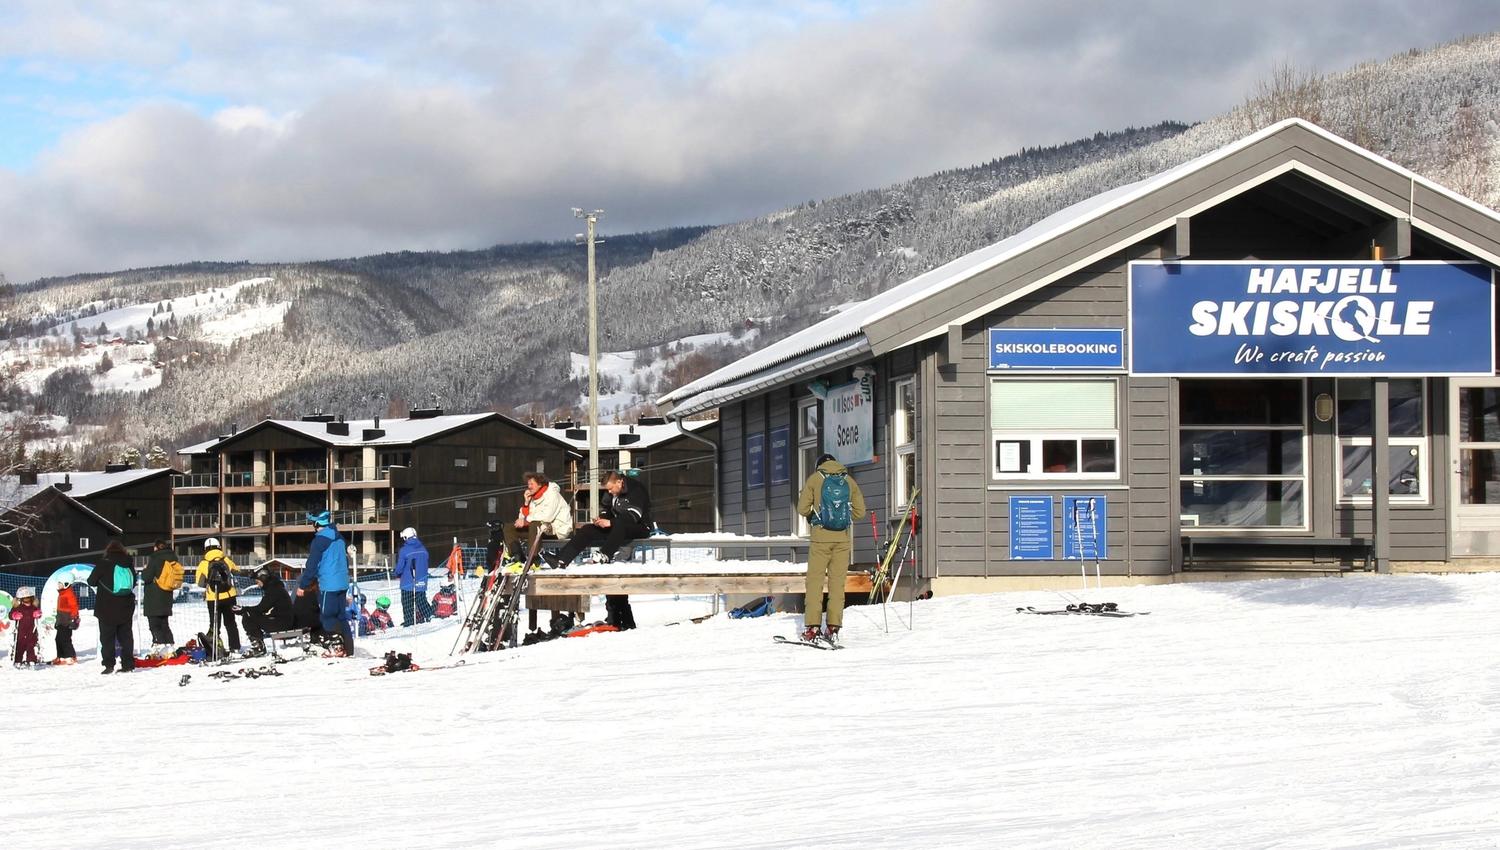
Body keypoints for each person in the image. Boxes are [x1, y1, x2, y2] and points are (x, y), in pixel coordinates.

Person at [545, 470, 651, 630]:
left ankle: (605, 554)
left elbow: (633, 517)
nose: (610, 492)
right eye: (608, 490)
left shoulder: (636, 489)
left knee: (620, 524)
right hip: (616, 526)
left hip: (639, 527)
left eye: (611, 489)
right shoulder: (611, 492)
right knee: (588, 529)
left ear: (619, 482)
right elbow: (606, 508)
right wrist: (602, 519)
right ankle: (561, 559)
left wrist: (611, 522)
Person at [796, 453, 866, 644]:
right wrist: (842, 517)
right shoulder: (848, 481)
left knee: (815, 583)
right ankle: (833, 628)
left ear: (819, 466)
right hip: (842, 541)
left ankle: (813, 629)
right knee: (837, 585)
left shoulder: (814, 479)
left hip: (820, 540)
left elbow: (802, 509)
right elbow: (860, 512)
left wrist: (816, 516)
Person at [296, 511, 352, 655]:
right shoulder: (339, 538)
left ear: (316, 524)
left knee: (327, 616)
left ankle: (337, 647)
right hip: (343, 581)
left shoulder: (319, 540)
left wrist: (303, 585)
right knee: (341, 616)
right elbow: (345, 560)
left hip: (329, 583)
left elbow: (312, 565)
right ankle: (349, 648)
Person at [503, 472, 575, 568]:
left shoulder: (552, 494)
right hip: (539, 530)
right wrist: (526, 503)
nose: (529, 487)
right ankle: (517, 557)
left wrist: (526, 520)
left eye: (532, 484)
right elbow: (523, 518)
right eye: (528, 484)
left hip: (557, 530)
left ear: (540, 484)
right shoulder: (534, 497)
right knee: (509, 528)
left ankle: (534, 559)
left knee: (535, 525)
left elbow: (547, 516)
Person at [88, 540, 138, 674]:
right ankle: (128, 664)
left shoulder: (104, 563)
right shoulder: (128, 563)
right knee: (126, 637)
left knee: (107, 638)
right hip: (126, 606)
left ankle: (109, 665)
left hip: (106, 606)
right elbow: (133, 583)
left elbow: (91, 581)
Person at [195, 537, 242, 657]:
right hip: (229, 595)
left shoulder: (203, 563)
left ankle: (215, 648)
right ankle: (235, 648)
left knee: (215, 624)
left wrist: (209, 582)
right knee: (230, 623)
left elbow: (199, 582)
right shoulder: (225, 559)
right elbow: (237, 571)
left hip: (213, 598)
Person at [235, 566, 293, 656]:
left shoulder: (273, 589)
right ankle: (258, 644)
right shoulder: (275, 587)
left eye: (258, 582)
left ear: (263, 578)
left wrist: (244, 609)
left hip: (283, 623)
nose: (258, 585)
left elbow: (262, 608)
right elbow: (264, 608)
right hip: (283, 620)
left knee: (248, 616)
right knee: (250, 614)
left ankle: (258, 646)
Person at [140, 539, 181, 654]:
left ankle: (159, 646)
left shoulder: (155, 559)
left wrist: (145, 569)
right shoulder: (172, 559)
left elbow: (147, 577)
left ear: (156, 547)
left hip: (154, 597)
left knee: (154, 624)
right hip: (167, 596)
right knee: (164, 624)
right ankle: (170, 646)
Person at [394, 527, 434, 626]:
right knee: (421, 600)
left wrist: (396, 573)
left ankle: (409, 621)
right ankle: (429, 615)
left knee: (407, 603)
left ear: (406, 537)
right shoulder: (423, 548)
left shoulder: (404, 550)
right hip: (421, 580)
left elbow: (400, 567)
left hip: (408, 581)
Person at [8, 586, 42, 666]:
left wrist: (38, 613)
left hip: (31, 630)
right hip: (20, 631)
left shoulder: (33, 607)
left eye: (28, 598)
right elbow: (10, 615)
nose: (27, 600)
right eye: (25, 598)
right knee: (20, 646)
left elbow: (39, 613)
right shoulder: (18, 607)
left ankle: (31, 660)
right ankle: (18, 660)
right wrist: (14, 615)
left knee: (31, 646)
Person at [53, 580, 80, 665]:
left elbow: (74, 607)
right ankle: (61, 656)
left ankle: (70, 656)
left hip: (67, 620)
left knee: (65, 639)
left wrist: (74, 618)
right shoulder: (61, 593)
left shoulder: (69, 594)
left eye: (60, 584)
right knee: (58, 639)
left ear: (66, 584)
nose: (58, 585)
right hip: (61, 620)